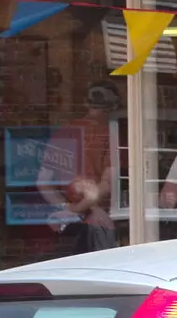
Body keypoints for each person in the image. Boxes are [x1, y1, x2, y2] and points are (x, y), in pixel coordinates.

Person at [38, 82, 119, 254]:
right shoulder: (112, 134)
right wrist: (79, 209)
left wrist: (65, 209)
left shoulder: (63, 133)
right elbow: (107, 183)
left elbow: (43, 182)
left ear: (85, 103)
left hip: (68, 223)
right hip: (100, 220)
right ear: (113, 106)